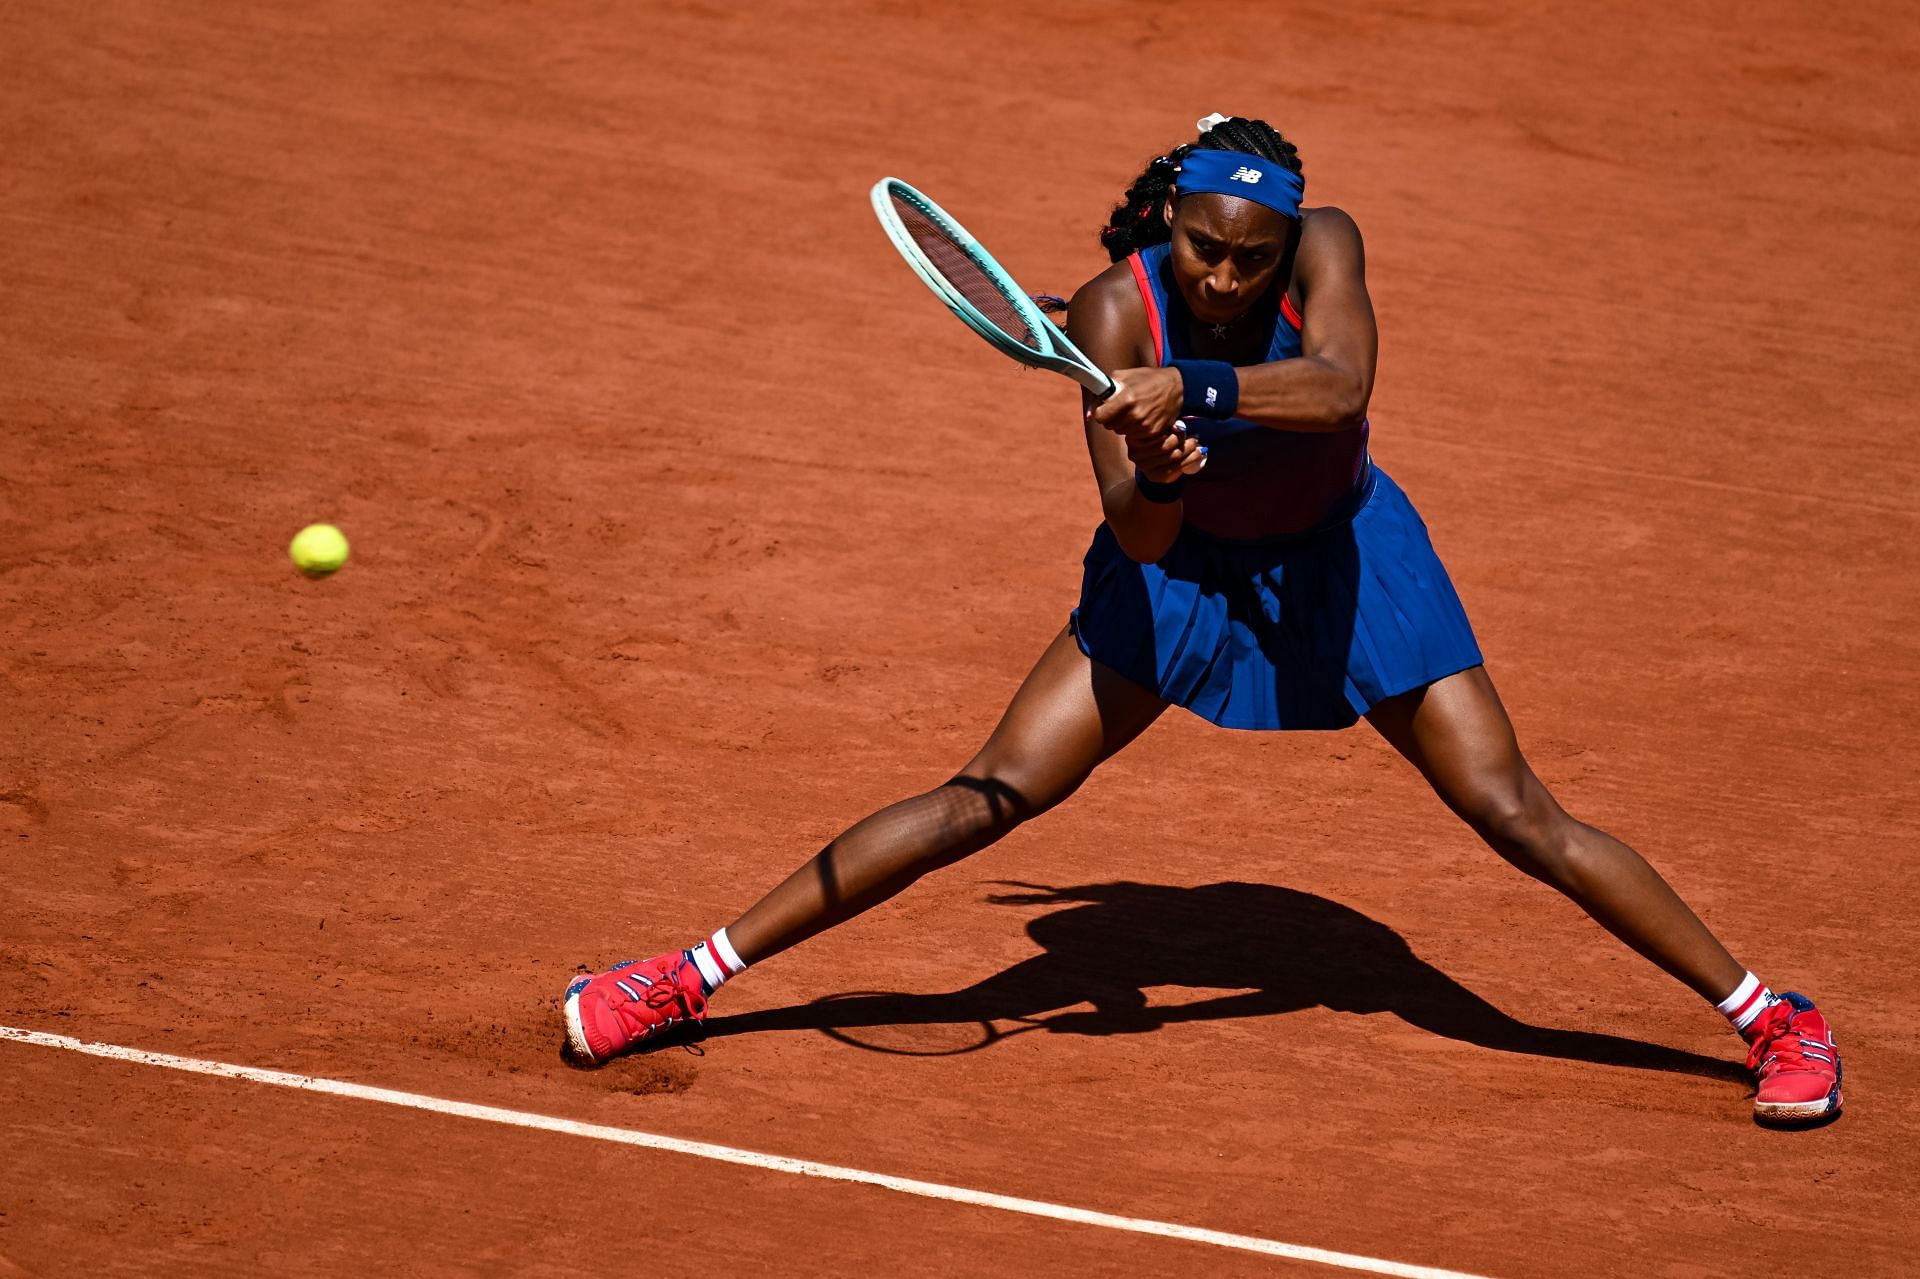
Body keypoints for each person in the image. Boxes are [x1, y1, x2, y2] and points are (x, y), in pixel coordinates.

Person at [563, 114, 1842, 1126]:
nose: (1225, 276)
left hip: (1346, 561)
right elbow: (1141, 539)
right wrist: (1163, 470)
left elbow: (1341, 387)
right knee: (990, 791)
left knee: (1515, 810)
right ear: (1170, 222)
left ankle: (1772, 1015)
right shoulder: (1110, 312)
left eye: (1252, 257)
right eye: (1204, 250)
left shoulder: (1325, 243)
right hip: (1185, 577)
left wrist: (1200, 386)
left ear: (1290, 243)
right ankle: (684, 977)